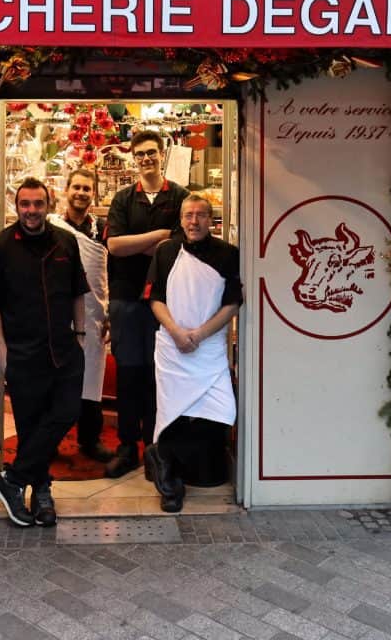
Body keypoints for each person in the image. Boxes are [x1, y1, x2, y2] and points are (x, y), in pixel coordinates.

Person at [0, 177, 88, 528]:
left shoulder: (66, 242)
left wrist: (81, 335)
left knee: (66, 412)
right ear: (16, 206)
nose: (31, 210)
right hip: (23, 353)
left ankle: (11, 480)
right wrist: (1, 352)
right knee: (31, 428)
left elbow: (78, 293)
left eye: (38, 204)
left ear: (48, 205)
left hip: (65, 349)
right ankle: (41, 494)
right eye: (25, 204)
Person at [143, 193, 242, 512]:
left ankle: (161, 454)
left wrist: (199, 334)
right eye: (188, 215)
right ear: (181, 219)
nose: (194, 221)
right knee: (172, 414)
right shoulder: (166, 251)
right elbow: (155, 298)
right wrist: (176, 331)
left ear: (210, 219)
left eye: (200, 215)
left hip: (208, 348)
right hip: (172, 348)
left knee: (224, 412)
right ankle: (169, 481)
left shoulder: (228, 254)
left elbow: (232, 304)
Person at [104, 130, 187, 478]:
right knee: (128, 374)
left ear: (161, 154)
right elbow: (115, 246)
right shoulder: (123, 198)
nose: (146, 159)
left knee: (159, 375)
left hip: (166, 300)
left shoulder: (180, 196)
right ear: (133, 158)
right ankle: (127, 447)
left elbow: (180, 248)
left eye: (151, 152)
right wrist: (159, 236)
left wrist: (135, 244)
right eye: (140, 154)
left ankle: (156, 450)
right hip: (126, 298)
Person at [49, 168, 112, 463]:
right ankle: (50, 440)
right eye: (76, 187)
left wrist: (109, 312)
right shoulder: (52, 227)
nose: (81, 193)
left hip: (94, 312)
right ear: (66, 189)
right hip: (59, 313)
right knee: (57, 378)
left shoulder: (103, 230)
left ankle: (90, 439)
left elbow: (110, 272)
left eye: (87, 188)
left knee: (92, 376)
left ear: (94, 194)